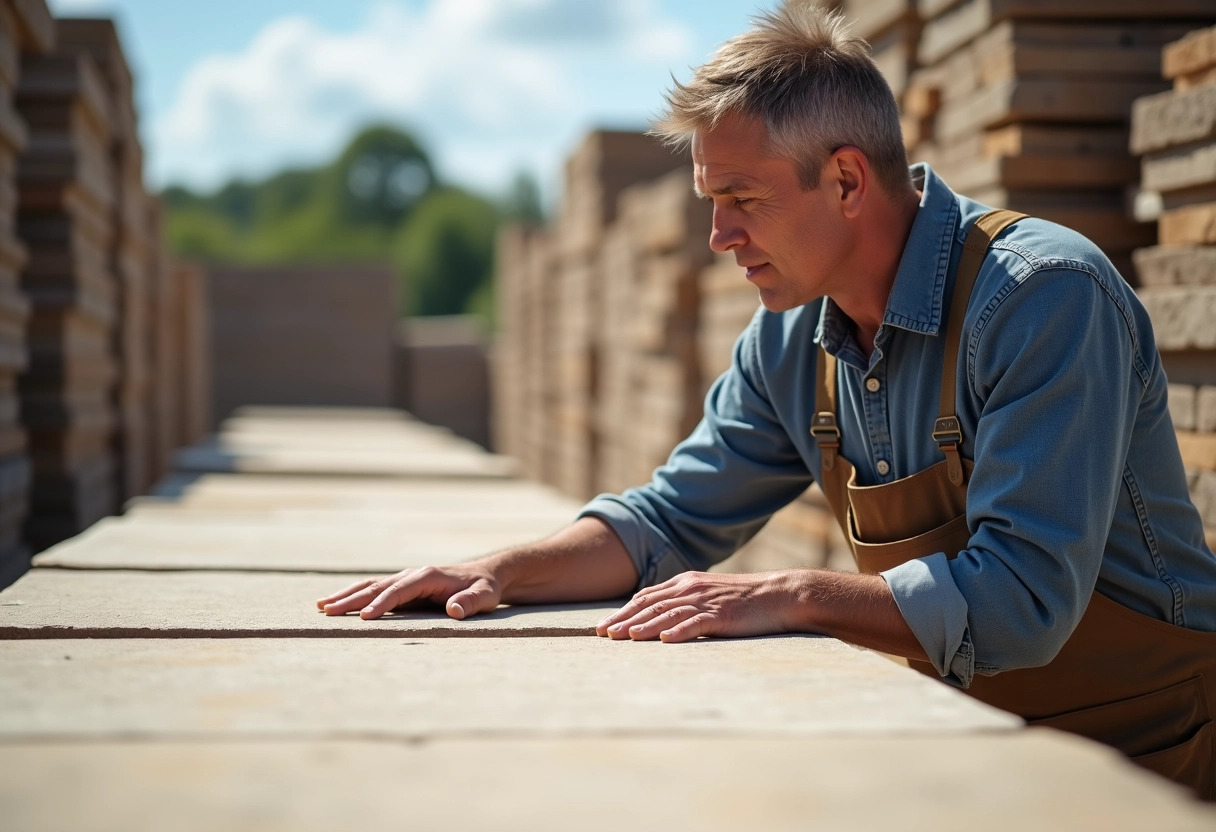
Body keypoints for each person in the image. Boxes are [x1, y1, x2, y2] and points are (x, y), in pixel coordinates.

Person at [318, 1, 1216, 797]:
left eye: (741, 198)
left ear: (848, 180)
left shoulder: (1040, 298)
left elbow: (1020, 603)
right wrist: (504, 569)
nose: (718, 236)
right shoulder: (791, 340)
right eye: (711, 201)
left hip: (1153, 762)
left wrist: (788, 593)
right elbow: (667, 525)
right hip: (982, 758)